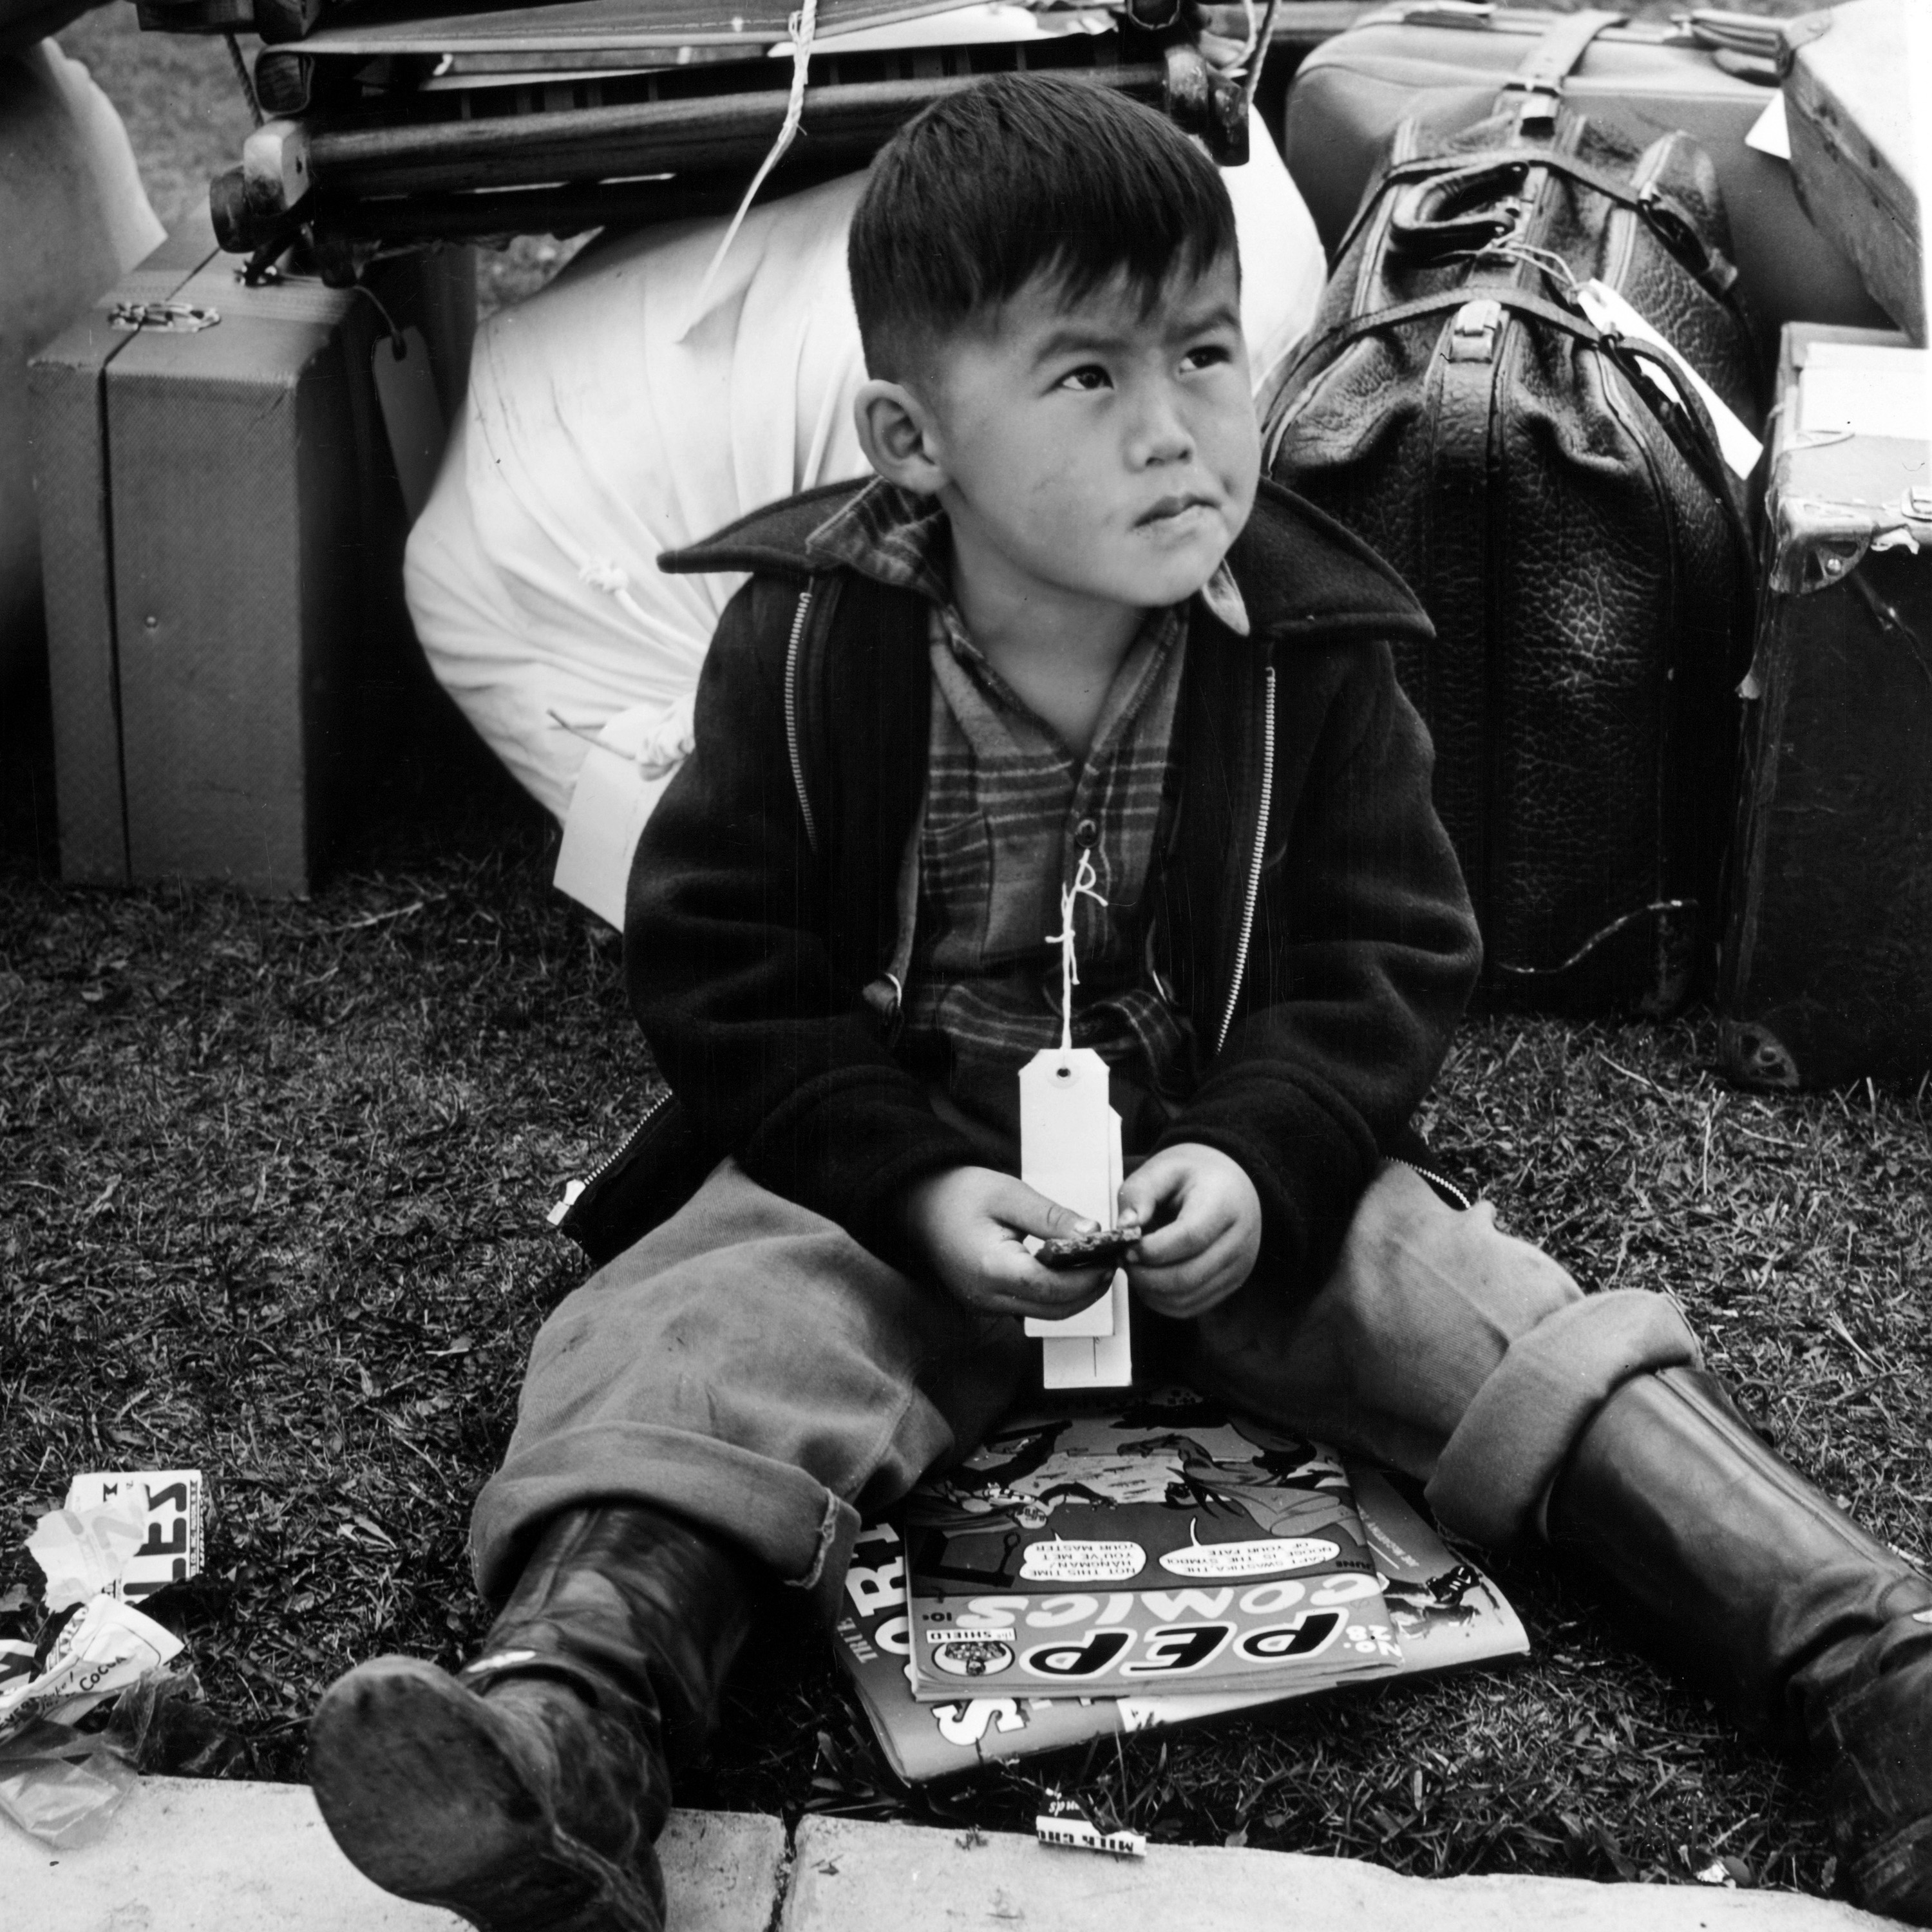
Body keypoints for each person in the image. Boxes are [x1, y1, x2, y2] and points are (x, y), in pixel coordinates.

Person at [307, 74, 1932, 1932]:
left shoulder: (1315, 651)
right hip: (906, 1180)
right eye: (1088, 380)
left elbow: (1386, 956)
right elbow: (727, 966)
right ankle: (573, 1735)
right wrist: (910, 1185)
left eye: (1209, 358)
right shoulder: (814, 649)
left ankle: (1874, 1670)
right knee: (689, 1332)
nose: (1178, 436)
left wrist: (1265, 1163)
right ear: (910, 438)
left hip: (1231, 1188)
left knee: (1509, 1323)